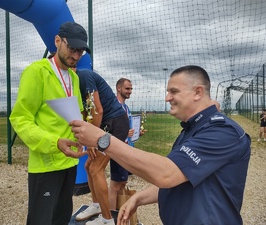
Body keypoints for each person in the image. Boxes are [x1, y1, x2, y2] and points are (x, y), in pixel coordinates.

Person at [70, 65, 251, 225]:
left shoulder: (222, 131)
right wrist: (139, 198)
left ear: (198, 92)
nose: (167, 98)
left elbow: (167, 174)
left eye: (173, 91)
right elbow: (181, 178)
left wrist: (103, 139)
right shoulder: (191, 129)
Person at [9, 21, 90, 225]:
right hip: (46, 165)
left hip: (70, 162)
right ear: (57, 41)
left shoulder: (74, 77)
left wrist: (87, 138)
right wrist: (54, 143)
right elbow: (20, 118)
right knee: (41, 220)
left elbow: (77, 115)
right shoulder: (36, 72)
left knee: (61, 218)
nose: (76, 55)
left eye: (80, 51)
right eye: (72, 48)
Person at [74, 69, 130, 225]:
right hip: (109, 124)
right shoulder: (74, 82)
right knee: (89, 165)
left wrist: (92, 140)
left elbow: (98, 110)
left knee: (95, 168)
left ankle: (106, 220)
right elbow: (86, 111)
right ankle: (97, 205)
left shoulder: (83, 76)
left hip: (116, 123)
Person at [109, 78, 147, 210]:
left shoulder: (125, 107)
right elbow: (108, 129)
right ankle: (110, 216)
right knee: (115, 184)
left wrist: (136, 133)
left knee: (122, 182)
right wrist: (125, 134)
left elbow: (128, 129)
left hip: (126, 149)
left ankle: (119, 210)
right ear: (119, 88)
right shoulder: (113, 107)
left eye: (131, 89)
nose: (130, 91)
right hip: (117, 150)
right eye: (127, 88)